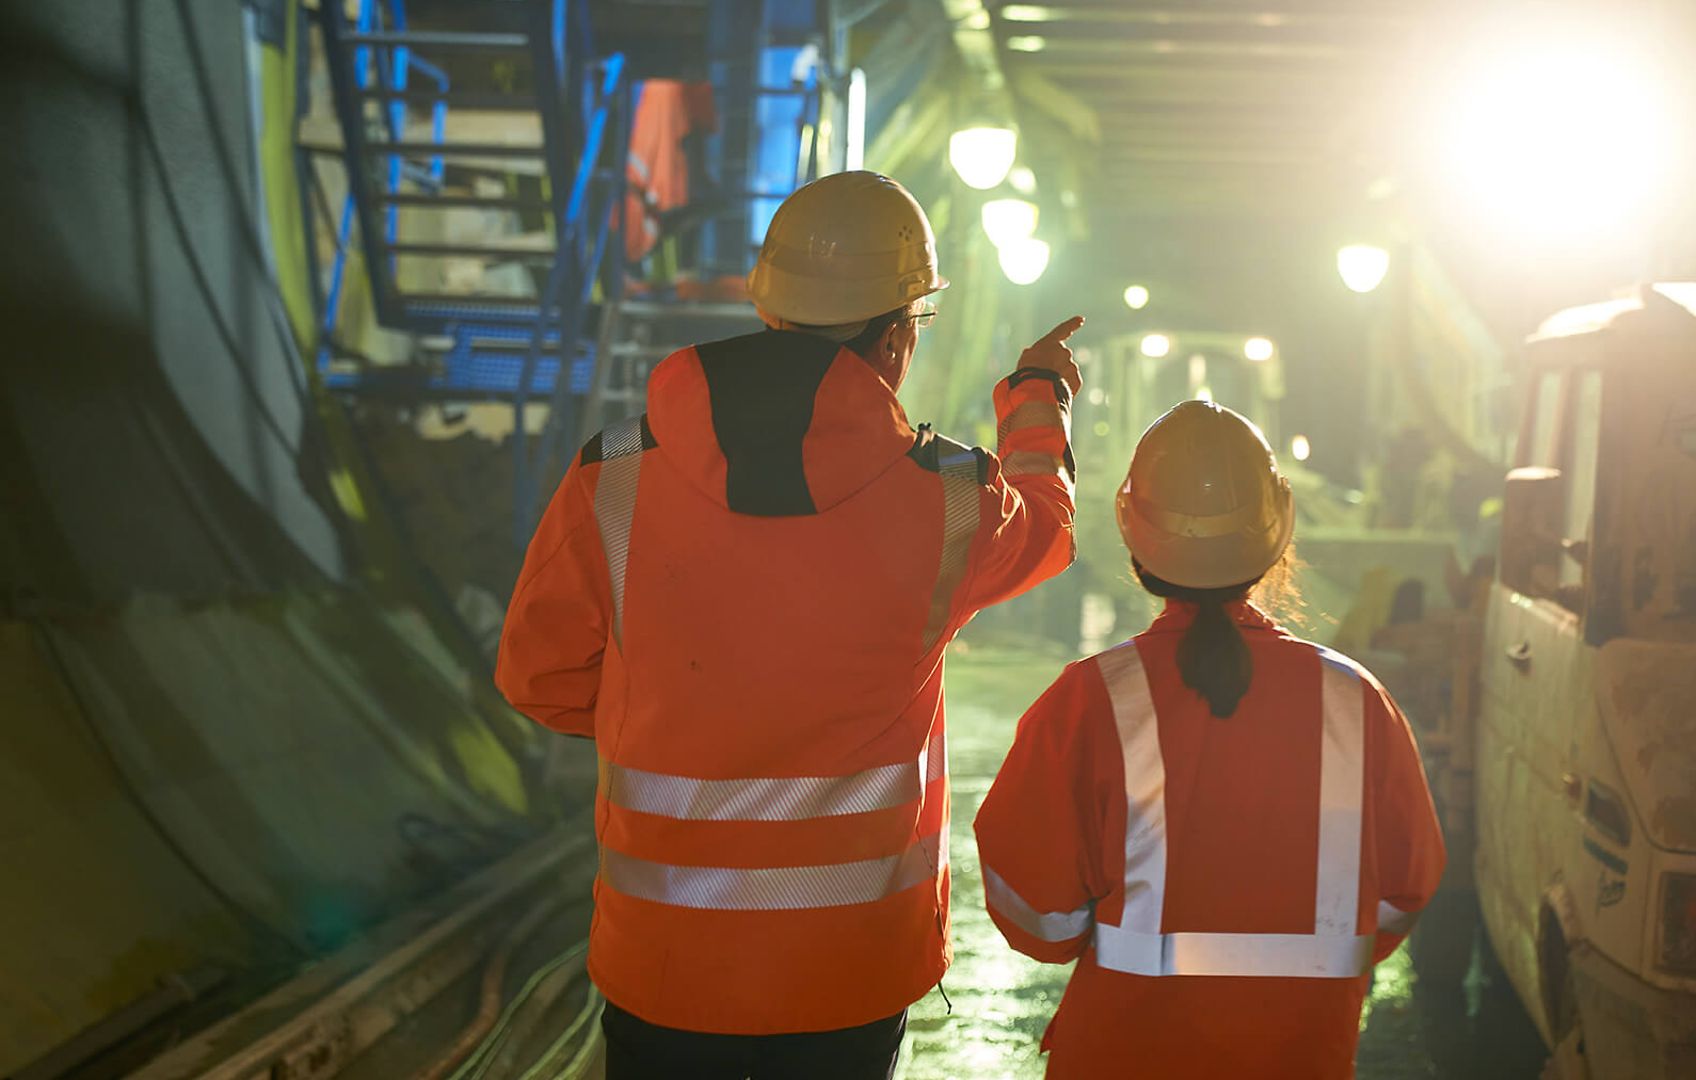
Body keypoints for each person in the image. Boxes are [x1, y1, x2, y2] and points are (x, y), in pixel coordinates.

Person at [495, 170, 1085, 1078]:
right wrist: (1037, 395)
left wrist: (671, 715)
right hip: (848, 967)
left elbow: (539, 678)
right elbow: (1047, 532)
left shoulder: (611, 479)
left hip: (663, 960)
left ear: (770, 311)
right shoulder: (953, 505)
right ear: (896, 337)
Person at [974, 400, 1445, 1078]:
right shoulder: (1357, 701)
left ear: (1134, 531)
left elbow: (1037, 919)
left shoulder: (1089, 699)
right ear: (1277, 528)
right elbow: (1405, 890)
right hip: (1305, 1056)